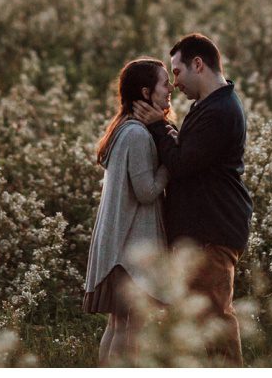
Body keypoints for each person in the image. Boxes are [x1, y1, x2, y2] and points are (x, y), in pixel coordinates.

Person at [132, 33, 252, 366]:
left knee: (215, 324)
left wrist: (158, 125)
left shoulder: (220, 111)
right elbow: (188, 154)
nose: (175, 83)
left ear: (198, 64)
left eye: (178, 72)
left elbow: (183, 163)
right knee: (194, 326)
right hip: (203, 230)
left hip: (212, 231)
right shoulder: (209, 105)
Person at [83, 57, 174, 365]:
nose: (170, 88)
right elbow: (147, 191)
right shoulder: (136, 135)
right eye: (164, 83)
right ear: (147, 93)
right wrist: (169, 163)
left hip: (119, 248)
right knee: (130, 328)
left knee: (117, 325)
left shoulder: (124, 129)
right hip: (129, 253)